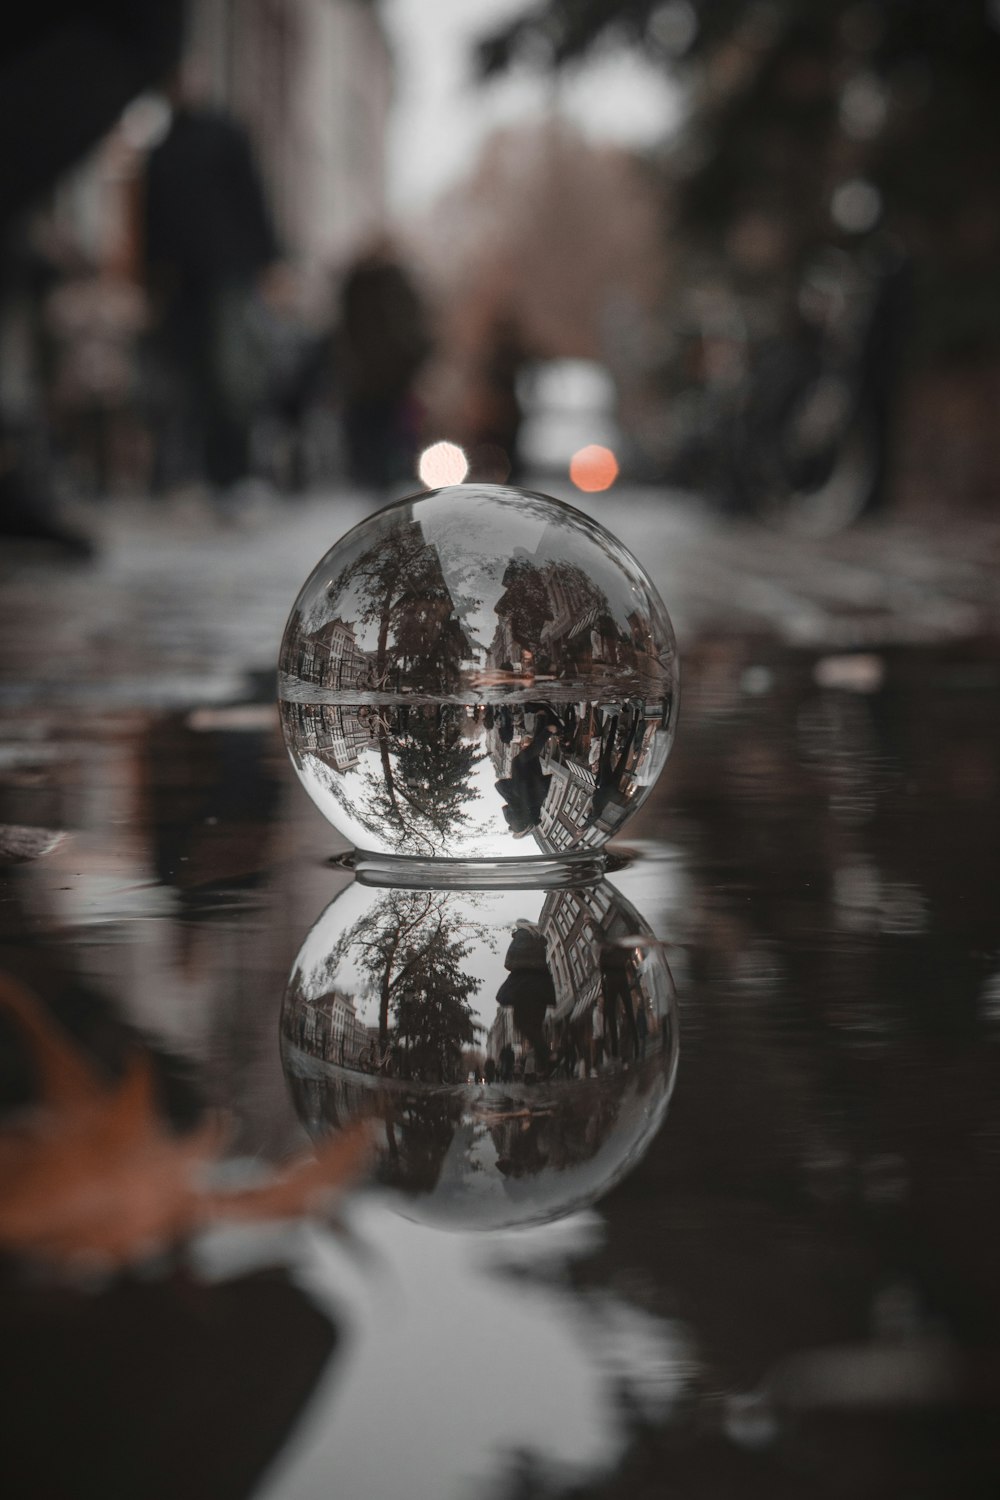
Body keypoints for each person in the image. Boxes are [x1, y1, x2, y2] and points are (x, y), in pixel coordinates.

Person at [142, 75, 281, 500]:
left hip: (226, 274)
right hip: (185, 281)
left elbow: (253, 196)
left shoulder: (224, 135)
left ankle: (232, 474)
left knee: (232, 377)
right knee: (191, 378)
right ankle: (196, 475)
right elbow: (154, 219)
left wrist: (266, 261)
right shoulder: (163, 147)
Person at [336, 244, 432, 489]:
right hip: (374, 379)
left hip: (382, 378)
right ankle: (382, 482)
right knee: (381, 439)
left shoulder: (367, 284)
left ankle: (386, 481)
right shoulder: (364, 285)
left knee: (389, 438)